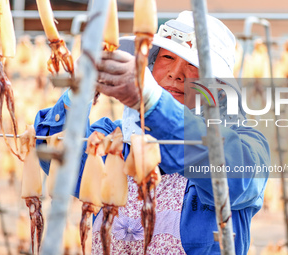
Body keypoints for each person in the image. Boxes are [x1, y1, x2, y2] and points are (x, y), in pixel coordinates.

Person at [34, 11, 270, 255]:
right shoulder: (114, 141)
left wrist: (153, 102)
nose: (176, 73)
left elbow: (233, 178)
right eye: (167, 57)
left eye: (194, 65)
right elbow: (58, 159)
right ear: (149, 66)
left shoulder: (245, 145)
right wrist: (80, 89)